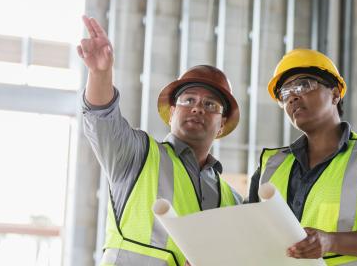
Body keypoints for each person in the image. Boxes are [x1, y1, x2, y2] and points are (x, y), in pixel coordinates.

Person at [78, 16, 242, 266]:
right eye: (188, 100)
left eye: (210, 104)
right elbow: (101, 117)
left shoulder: (233, 201)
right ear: (172, 113)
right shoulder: (136, 156)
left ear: (221, 125)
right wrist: (100, 73)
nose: (197, 108)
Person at [248, 48, 357, 266]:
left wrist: (330, 241)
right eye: (285, 93)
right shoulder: (271, 165)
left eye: (303, 85)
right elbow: (250, 235)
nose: (292, 97)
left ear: (335, 94)